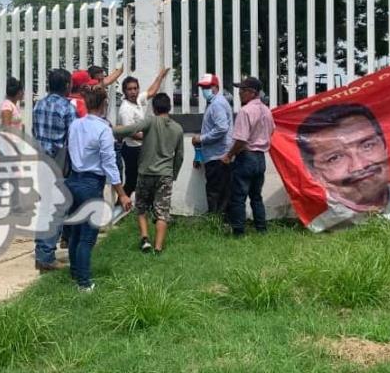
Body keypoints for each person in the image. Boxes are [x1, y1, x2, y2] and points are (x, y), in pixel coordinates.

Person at [297, 104, 390, 231]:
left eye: (367, 145)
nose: (359, 166)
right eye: (335, 158)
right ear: (313, 173)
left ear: (385, 146)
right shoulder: (320, 218)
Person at [65, 87, 132, 291]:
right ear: (104, 105)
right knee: (87, 236)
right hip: (90, 184)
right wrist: (121, 193)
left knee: (76, 231)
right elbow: (110, 164)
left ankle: (76, 271)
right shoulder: (103, 130)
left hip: (73, 180)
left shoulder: (75, 124)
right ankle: (84, 284)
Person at [113, 92, 184, 253]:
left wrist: (112, 130)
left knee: (142, 207)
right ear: (169, 107)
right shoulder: (178, 129)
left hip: (145, 172)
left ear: (153, 107)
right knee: (162, 211)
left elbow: (131, 129)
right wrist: (174, 174)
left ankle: (145, 239)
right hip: (165, 174)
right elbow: (179, 156)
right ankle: (158, 247)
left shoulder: (150, 121)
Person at [31, 68, 78, 272]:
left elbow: (34, 131)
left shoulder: (38, 105)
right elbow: (74, 137)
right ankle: (46, 256)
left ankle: (42, 250)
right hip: (58, 162)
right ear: (67, 85)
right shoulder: (67, 108)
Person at [222, 77, 275, 236]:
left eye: (242, 91)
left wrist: (229, 155)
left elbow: (241, 140)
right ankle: (261, 229)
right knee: (256, 196)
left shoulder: (245, 111)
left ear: (252, 93)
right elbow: (272, 130)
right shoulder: (267, 110)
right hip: (260, 158)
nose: (239, 94)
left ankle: (238, 231)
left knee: (238, 197)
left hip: (246, 157)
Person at [117, 68, 170, 198]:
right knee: (131, 181)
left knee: (145, 179)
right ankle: (120, 206)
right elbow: (130, 133)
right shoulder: (126, 110)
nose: (133, 92)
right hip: (131, 149)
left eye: (135, 88)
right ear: (124, 91)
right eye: (129, 89)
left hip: (140, 147)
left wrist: (160, 76)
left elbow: (151, 91)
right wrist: (149, 138)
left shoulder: (137, 101)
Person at [191, 73, 234, 215]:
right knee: (220, 191)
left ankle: (216, 221)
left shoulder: (217, 104)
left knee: (215, 192)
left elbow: (222, 128)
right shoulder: (214, 103)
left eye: (207, 87)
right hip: (215, 155)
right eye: (202, 87)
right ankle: (219, 220)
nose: (204, 90)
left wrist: (202, 139)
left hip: (218, 156)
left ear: (216, 87)